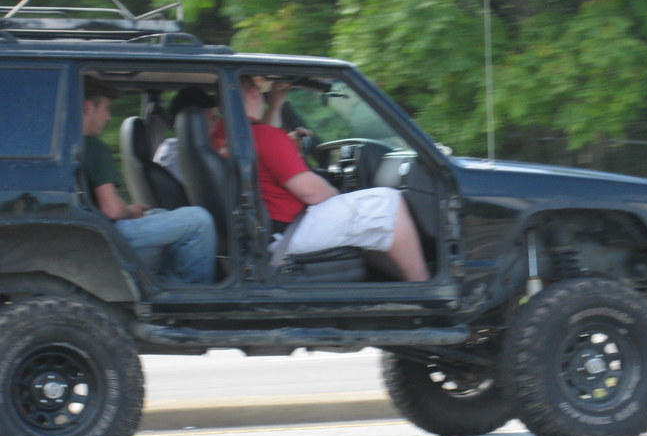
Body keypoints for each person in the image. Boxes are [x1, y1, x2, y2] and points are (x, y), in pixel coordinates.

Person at [242, 75, 430, 282]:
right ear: (253, 92)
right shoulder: (264, 136)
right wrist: (339, 195)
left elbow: (267, 137)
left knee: (366, 220)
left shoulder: (230, 135)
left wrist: (276, 103)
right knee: (388, 202)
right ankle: (424, 285)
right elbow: (311, 192)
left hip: (265, 232)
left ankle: (401, 284)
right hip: (287, 233)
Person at [82, 76, 217, 284]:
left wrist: (130, 211)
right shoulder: (94, 147)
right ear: (88, 107)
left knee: (158, 213)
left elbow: (102, 202)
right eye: (105, 109)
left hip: (92, 230)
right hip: (106, 233)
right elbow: (111, 210)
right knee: (199, 219)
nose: (108, 117)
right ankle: (190, 295)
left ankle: (166, 282)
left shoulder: (74, 145)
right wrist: (128, 212)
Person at [153, 86, 226, 180]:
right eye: (212, 118)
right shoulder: (177, 158)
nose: (217, 123)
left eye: (216, 117)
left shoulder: (173, 147)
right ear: (191, 122)